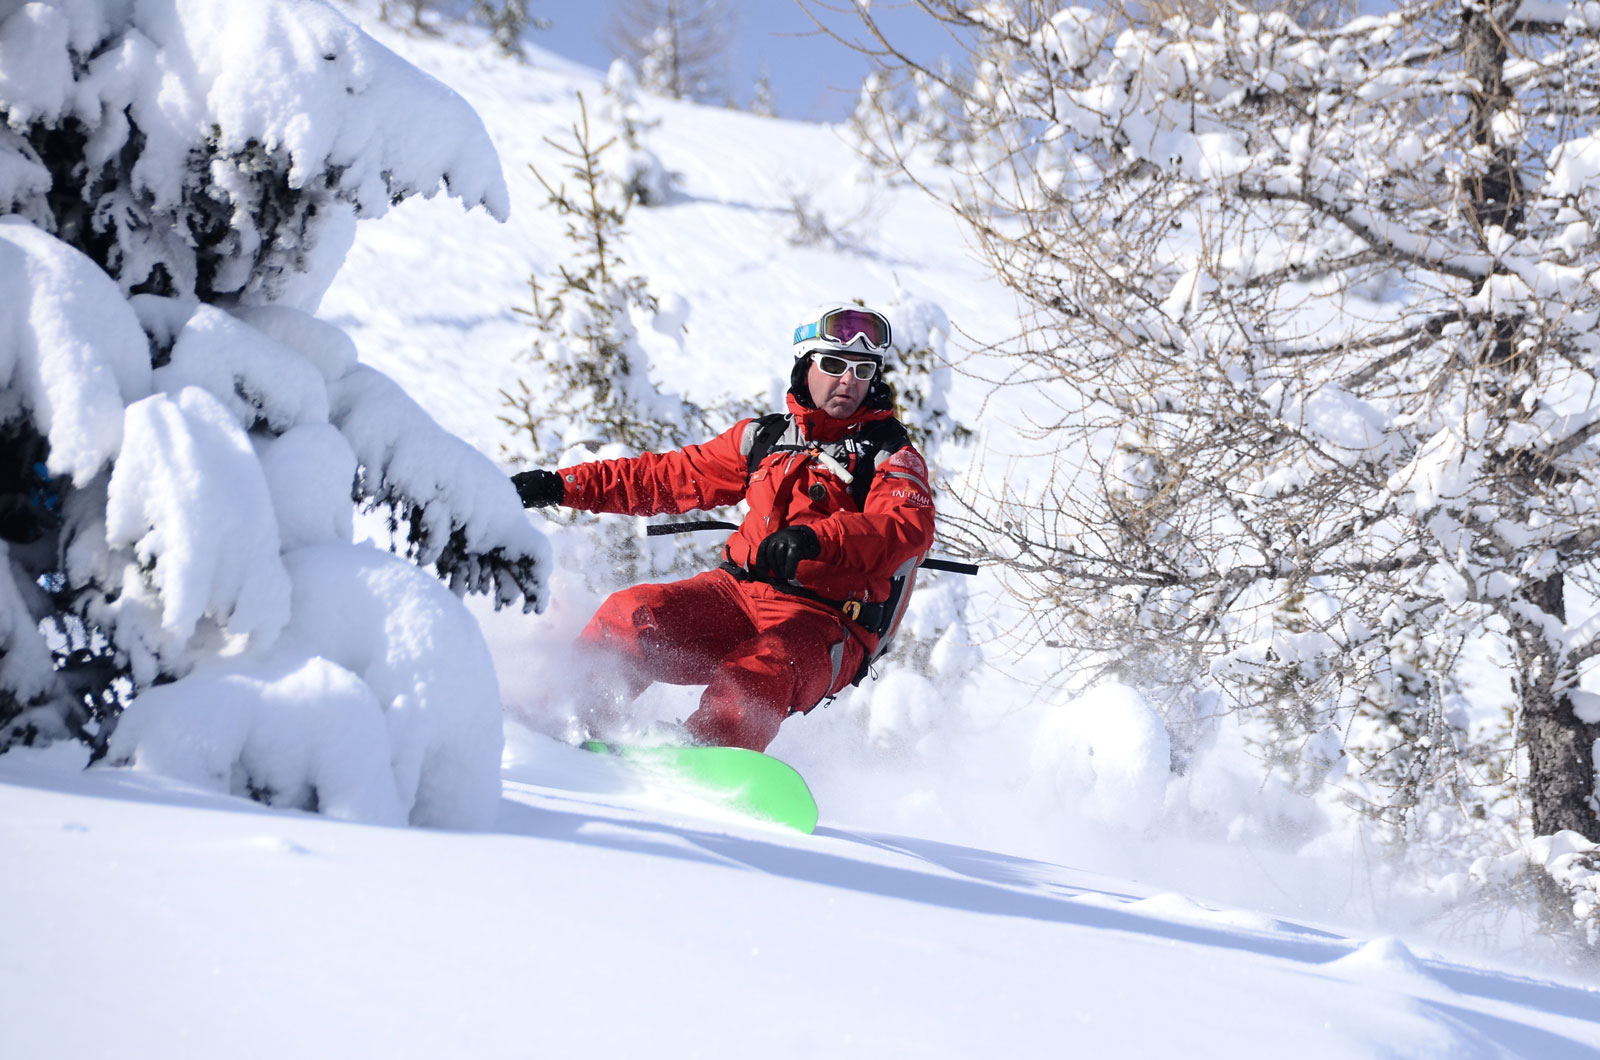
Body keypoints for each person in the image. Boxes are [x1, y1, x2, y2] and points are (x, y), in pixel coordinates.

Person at [512, 304, 937, 752]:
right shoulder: (767, 440)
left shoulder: (890, 455)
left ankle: (702, 760)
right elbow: (666, 476)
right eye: (833, 365)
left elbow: (904, 528)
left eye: (862, 369)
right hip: (736, 597)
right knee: (631, 615)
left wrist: (816, 540)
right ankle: (567, 722)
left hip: (827, 624)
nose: (848, 380)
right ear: (805, 365)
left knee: (759, 671)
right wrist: (561, 485)